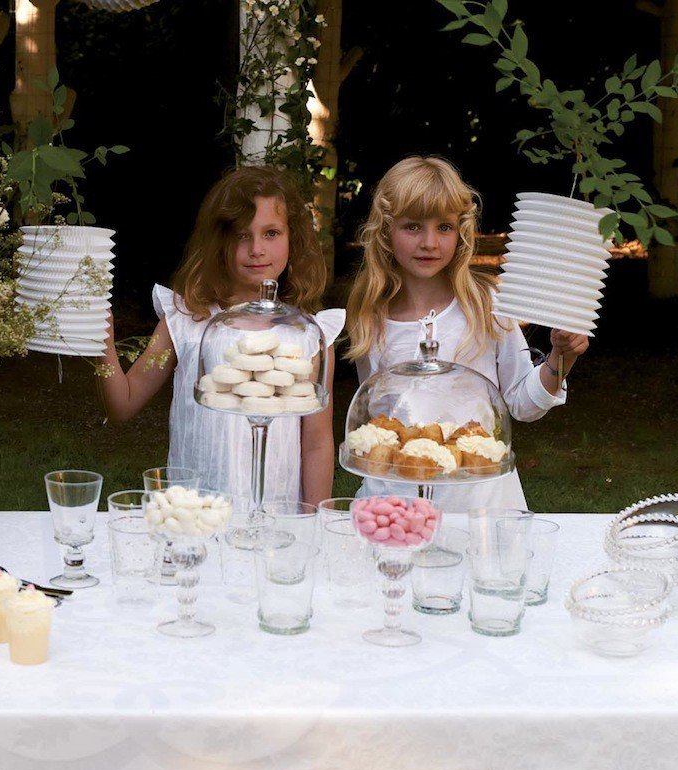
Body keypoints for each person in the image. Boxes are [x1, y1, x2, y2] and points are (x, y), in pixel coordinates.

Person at [344, 155, 589, 509]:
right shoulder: (369, 315)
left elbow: (523, 404)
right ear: (385, 231)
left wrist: (561, 356)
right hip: (395, 502)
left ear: (461, 232)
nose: (430, 242)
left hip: (481, 502)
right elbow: (375, 418)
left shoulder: (484, 304)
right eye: (413, 226)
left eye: (443, 227)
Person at [95, 165, 344, 506]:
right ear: (218, 240)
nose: (257, 248)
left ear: (293, 238)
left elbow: (316, 442)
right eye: (242, 235)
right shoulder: (185, 321)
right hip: (195, 514)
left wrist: (316, 521)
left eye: (271, 233)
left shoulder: (307, 336)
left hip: (277, 518)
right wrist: (101, 344)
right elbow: (122, 404)